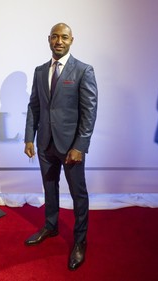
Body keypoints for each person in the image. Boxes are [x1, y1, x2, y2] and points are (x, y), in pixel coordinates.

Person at [24, 22, 98, 271]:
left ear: (71, 40)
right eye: (55, 37)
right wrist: (28, 138)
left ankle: (80, 241)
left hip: (70, 148)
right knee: (49, 187)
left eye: (64, 37)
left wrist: (80, 145)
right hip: (45, 143)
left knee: (79, 195)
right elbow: (34, 106)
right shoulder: (39, 70)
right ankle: (51, 225)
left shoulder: (83, 70)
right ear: (48, 39)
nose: (59, 41)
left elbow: (89, 112)